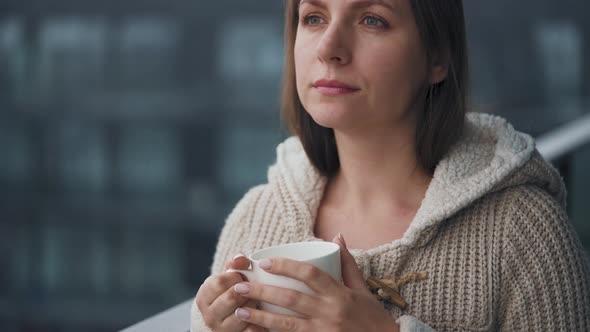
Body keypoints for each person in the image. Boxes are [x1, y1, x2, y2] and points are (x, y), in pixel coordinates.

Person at [191, 0, 590, 331]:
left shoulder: (523, 231)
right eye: (314, 17)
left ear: (437, 57)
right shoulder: (254, 220)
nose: (329, 47)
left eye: (372, 20)